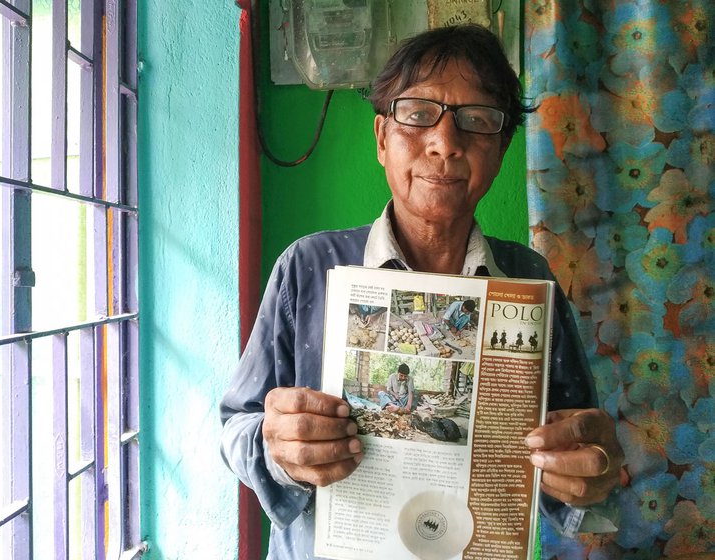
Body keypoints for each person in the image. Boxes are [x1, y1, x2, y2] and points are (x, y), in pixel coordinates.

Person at [220, 24, 623, 560]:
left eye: (477, 121)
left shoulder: (529, 278)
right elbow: (235, 426)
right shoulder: (307, 268)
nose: (445, 142)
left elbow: (574, 447)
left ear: (501, 150)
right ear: (382, 138)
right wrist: (276, 448)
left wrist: (591, 473)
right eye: (417, 113)